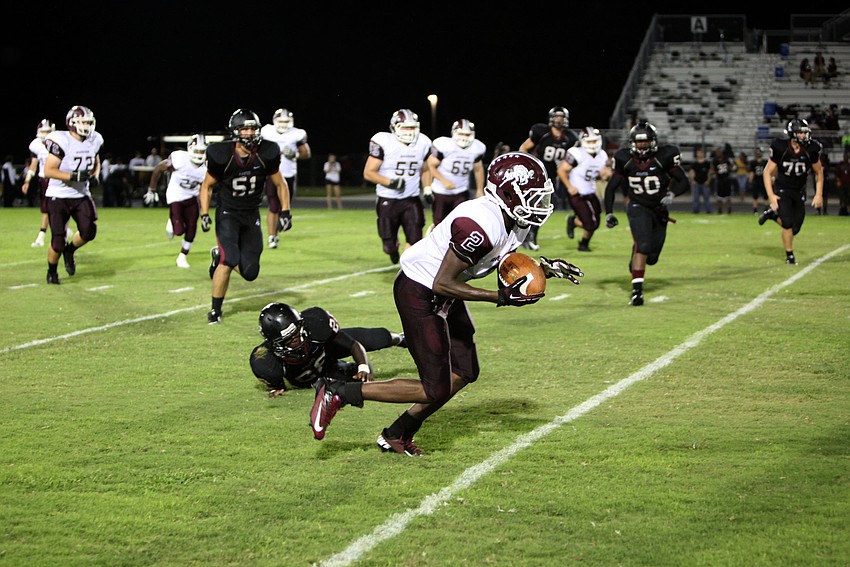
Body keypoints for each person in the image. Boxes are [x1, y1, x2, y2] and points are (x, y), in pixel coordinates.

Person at [308, 152, 584, 455]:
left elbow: (498, 261)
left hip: (442, 291)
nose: (538, 204)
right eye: (531, 196)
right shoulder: (479, 224)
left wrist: (545, 269)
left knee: (465, 371)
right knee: (433, 387)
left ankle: (397, 433)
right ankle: (339, 392)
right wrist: (500, 298)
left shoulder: (513, 221)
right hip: (420, 291)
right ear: (507, 192)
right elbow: (443, 282)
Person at [199, 109, 290, 324]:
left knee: (250, 272)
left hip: (251, 214)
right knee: (228, 259)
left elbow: (280, 183)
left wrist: (285, 210)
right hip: (228, 213)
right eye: (245, 128)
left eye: (253, 128)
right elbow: (207, 186)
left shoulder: (267, 152)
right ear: (235, 131)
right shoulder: (222, 155)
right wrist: (204, 213)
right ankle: (215, 311)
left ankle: (217, 256)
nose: (249, 133)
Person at [603, 120, 690, 306]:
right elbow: (611, 188)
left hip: (659, 210)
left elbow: (683, 181)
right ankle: (637, 292)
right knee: (643, 245)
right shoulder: (624, 158)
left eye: (645, 142)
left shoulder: (664, 156)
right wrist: (609, 213)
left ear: (653, 142)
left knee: (652, 257)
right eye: (639, 142)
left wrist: (672, 194)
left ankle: (636, 259)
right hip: (637, 206)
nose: (642, 146)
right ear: (632, 143)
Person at [250, 302, 406, 397]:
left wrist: (363, 366)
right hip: (321, 374)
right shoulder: (263, 361)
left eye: (298, 332)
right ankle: (343, 367)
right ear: (275, 344)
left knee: (376, 338)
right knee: (351, 381)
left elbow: (353, 344)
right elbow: (278, 387)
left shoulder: (315, 325)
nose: (298, 339)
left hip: (325, 349)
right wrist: (276, 389)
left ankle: (403, 339)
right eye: (290, 339)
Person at [42, 105, 104, 284]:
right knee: (58, 241)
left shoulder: (94, 139)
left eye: (89, 122)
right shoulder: (61, 140)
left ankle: (70, 251)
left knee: (89, 231)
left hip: (80, 194)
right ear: (72, 123)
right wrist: (73, 176)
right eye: (83, 121)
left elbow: (96, 160)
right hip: (58, 195)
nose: (87, 125)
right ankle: (52, 272)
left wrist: (95, 175)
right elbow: (48, 170)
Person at [362, 108, 432, 264]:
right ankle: (393, 251)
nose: (409, 131)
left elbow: (426, 169)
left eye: (412, 127)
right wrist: (391, 182)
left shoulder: (423, 142)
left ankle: (406, 268)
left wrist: (427, 189)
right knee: (388, 244)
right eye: (405, 127)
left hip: (411, 199)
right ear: (394, 127)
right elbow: (368, 173)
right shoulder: (384, 141)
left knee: (415, 239)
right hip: (388, 199)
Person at [758, 118, 824, 265]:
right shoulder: (781, 147)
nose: (804, 136)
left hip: (799, 190)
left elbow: (819, 172)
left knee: (795, 228)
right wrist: (771, 196)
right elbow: (767, 172)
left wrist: (818, 194)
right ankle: (790, 256)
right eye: (800, 132)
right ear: (792, 134)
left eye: (804, 133)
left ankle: (773, 216)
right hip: (782, 189)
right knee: (787, 224)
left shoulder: (811, 149)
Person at [517, 106, 579, 250]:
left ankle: (528, 234)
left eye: (561, 117)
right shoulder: (542, 133)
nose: (559, 120)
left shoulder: (570, 138)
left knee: (544, 207)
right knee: (539, 205)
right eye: (556, 117)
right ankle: (528, 235)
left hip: (550, 177)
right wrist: (527, 165)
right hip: (536, 175)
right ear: (551, 118)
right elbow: (524, 148)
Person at [145, 134, 208, 268]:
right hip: (176, 196)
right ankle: (172, 221)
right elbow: (158, 169)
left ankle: (182, 257)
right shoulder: (179, 159)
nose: (199, 154)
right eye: (197, 150)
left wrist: (205, 212)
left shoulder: (208, 166)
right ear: (190, 149)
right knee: (179, 231)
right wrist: (151, 189)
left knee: (191, 230)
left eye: (202, 151)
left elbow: (208, 188)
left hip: (192, 198)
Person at [259, 108, 309, 249]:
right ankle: (272, 237)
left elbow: (306, 153)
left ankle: (279, 226)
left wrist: (295, 155)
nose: (283, 124)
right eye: (281, 121)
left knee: (284, 207)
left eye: (286, 121)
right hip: (271, 174)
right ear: (275, 121)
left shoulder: (297, 134)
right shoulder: (266, 132)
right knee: (273, 206)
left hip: (288, 175)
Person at [425, 118, 486, 227]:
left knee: (461, 223)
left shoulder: (477, 148)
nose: (464, 137)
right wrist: (444, 181)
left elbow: (478, 169)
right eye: (461, 134)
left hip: (461, 191)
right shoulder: (445, 145)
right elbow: (430, 165)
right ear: (454, 133)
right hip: (441, 192)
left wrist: (480, 190)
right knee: (440, 224)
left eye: (467, 135)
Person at [558, 127, 611, 252]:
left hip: (590, 191)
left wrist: (605, 175)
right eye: (589, 141)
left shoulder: (602, 155)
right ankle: (573, 222)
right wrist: (569, 187)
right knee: (590, 223)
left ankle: (583, 244)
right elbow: (561, 170)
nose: (592, 144)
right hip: (577, 193)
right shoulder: (577, 153)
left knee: (596, 222)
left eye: (594, 141)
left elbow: (600, 175)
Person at [21, 119, 56, 247]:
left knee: (58, 208)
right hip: (45, 180)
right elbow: (33, 165)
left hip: (58, 179)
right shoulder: (35, 145)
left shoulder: (59, 143)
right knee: (46, 209)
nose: (45, 134)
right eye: (43, 131)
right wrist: (27, 181)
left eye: (48, 131)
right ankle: (42, 236)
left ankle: (61, 231)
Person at [711, 147, 735, 214]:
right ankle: (720, 209)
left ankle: (729, 210)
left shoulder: (727, 159)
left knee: (729, 197)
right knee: (719, 197)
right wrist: (713, 172)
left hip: (727, 179)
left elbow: (733, 167)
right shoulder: (715, 161)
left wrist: (730, 168)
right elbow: (712, 170)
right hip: (719, 180)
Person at [689, 148, 713, 213]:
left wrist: (708, 180)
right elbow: (691, 172)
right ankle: (695, 211)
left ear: (703, 154)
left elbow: (710, 172)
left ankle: (709, 211)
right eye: (698, 153)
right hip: (696, 183)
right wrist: (692, 180)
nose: (700, 154)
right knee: (695, 198)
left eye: (701, 153)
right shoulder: (694, 163)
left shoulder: (707, 163)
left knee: (706, 198)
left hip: (705, 183)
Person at [748, 148, 769, 214]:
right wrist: (750, 180)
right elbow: (752, 172)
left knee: (764, 196)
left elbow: (752, 173)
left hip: (762, 180)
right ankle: (756, 210)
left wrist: (750, 180)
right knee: (756, 196)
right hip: (758, 180)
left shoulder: (764, 162)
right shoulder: (754, 162)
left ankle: (762, 209)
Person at [834, 148, 850, 216]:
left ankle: (848, 210)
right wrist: (838, 181)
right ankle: (843, 210)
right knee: (842, 197)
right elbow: (837, 174)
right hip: (842, 184)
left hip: (848, 184)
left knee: (849, 198)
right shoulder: (840, 165)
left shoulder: (849, 165)